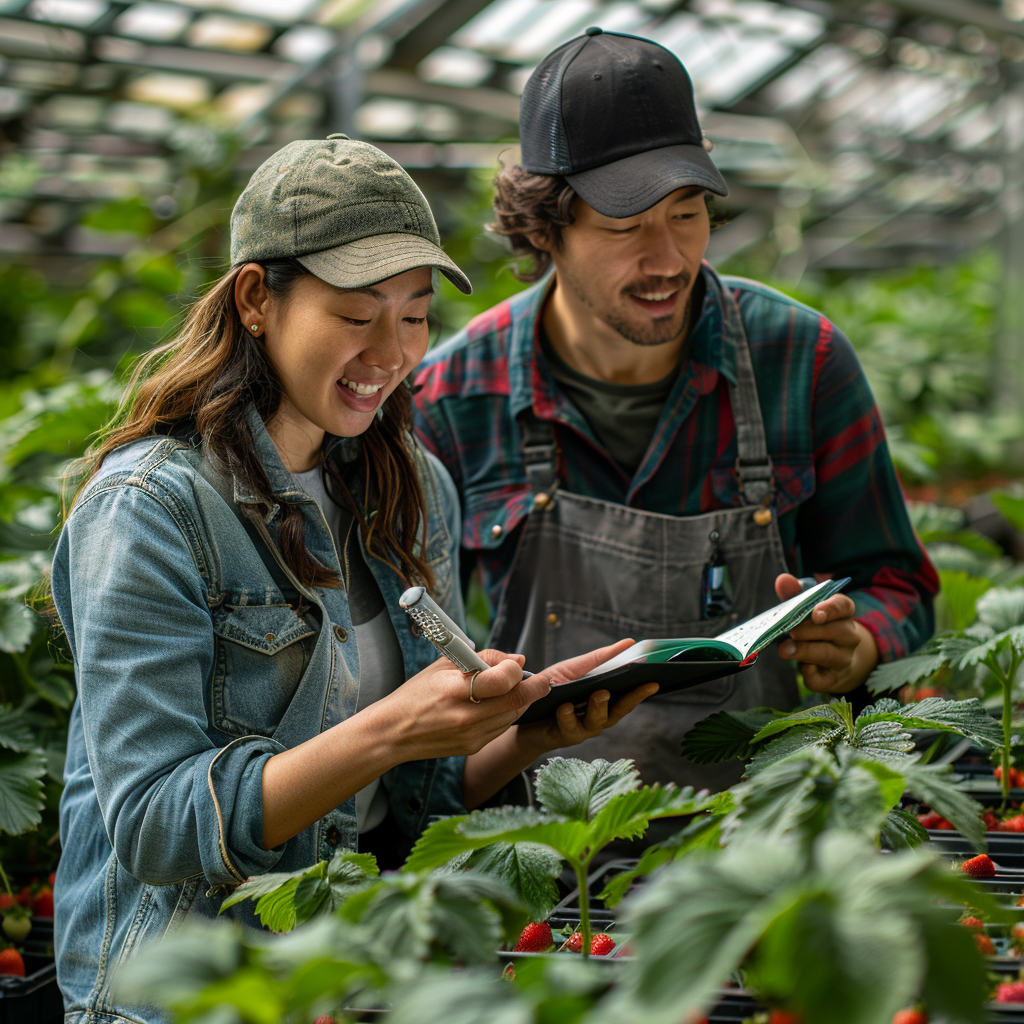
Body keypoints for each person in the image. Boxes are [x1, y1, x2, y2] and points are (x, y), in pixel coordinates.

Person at [49, 135, 657, 1024]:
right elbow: (155, 824)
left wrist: (525, 733)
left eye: (413, 315)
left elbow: (410, 798)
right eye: (356, 313)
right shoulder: (151, 508)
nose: (391, 349)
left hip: (354, 973)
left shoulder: (409, 489)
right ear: (258, 300)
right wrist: (385, 730)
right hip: (192, 993)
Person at [412, 29, 939, 793]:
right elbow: (410, 663)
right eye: (626, 228)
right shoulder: (454, 395)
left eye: (687, 214)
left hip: (759, 840)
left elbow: (899, 582)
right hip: (537, 851)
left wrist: (860, 644)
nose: (667, 260)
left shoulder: (800, 358)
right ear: (544, 229)